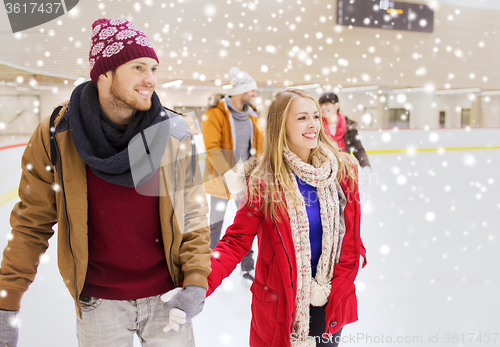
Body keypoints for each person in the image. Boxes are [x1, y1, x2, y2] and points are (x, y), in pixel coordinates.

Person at [0, 18, 211, 347]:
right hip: (98, 304)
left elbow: (193, 214)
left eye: (154, 68)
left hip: (167, 297)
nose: (151, 79)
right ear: (104, 72)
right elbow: (32, 221)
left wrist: (196, 278)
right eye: (139, 67)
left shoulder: (173, 132)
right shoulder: (57, 134)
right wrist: (6, 301)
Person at [207, 89, 367, 346]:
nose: (313, 124)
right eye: (302, 118)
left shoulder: (342, 173)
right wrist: (198, 282)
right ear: (281, 125)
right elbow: (236, 241)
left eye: (315, 116)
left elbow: (350, 239)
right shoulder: (263, 182)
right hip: (282, 304)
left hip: (329, 301)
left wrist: (343, 283)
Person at [202, 67, 264, 282]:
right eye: (251, 90)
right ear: (241, 91)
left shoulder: (252, 115)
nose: (255, 94)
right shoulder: (215, 113)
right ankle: (205, 268)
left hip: (245, 179)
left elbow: (259, 145)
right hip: (222, 179)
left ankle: (247, 268)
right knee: (215, 225)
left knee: (245, 225)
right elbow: (212, 147)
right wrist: (228, 173)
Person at [318, 93, 371, 170]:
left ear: (336, 105)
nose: (323, 107)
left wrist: (365, 166)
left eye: (326, 104)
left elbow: (358, 150)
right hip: (324, 170)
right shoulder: (318, 126)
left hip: (343, 169)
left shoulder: (349, 127)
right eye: (321, 105)